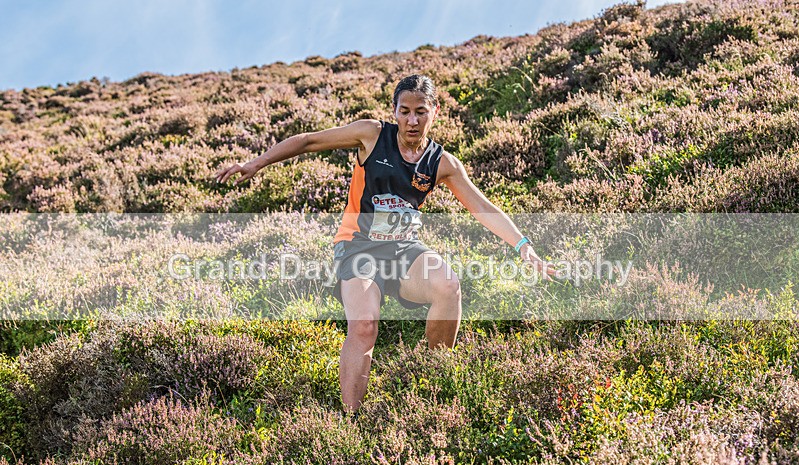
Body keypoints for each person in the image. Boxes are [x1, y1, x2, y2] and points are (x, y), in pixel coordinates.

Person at [214, 74, 554, 413]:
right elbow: (307, 141)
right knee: (364, 325)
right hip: (358, 246)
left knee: (448, 285)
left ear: (434, 111)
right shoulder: (371, 135)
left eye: (421, 111)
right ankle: (350, 422)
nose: (412, 120)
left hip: (405, 249)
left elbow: (481, 206)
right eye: (404, 111)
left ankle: (431, 385)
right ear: (394, 111)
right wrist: (255, 164)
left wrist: (522, 244)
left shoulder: (442, 163)